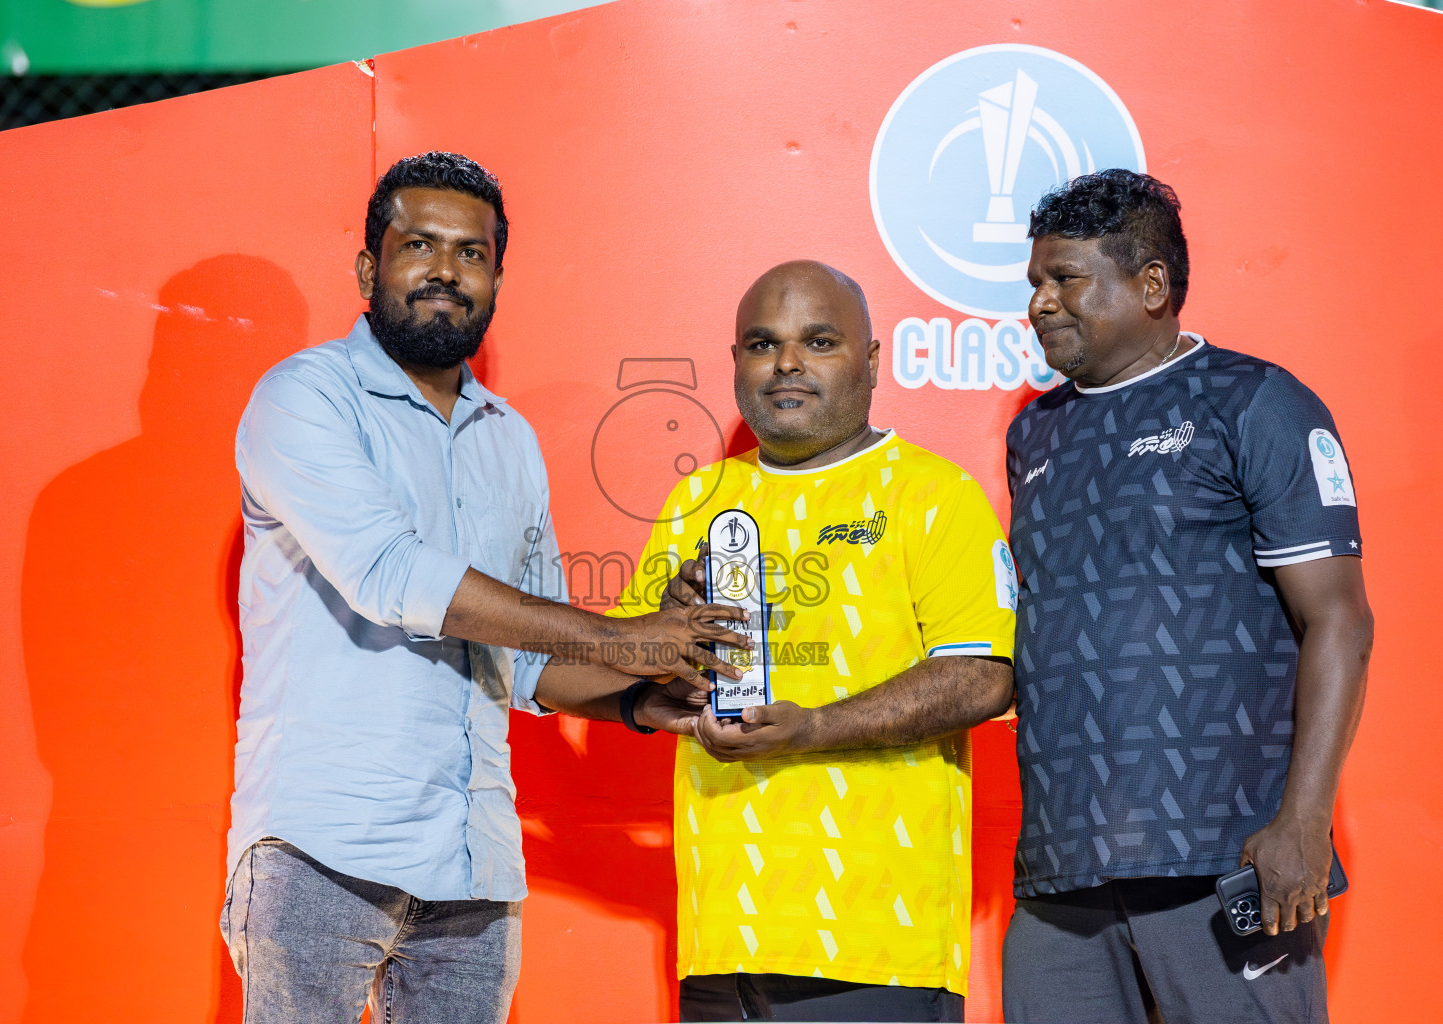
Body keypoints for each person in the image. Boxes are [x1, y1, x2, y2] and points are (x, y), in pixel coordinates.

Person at [219, 152, 748, 1024]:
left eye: (472, 254)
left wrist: (650, 700)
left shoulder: (511, 441)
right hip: (321, 852)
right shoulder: (304, 398)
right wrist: (624, 635)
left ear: (497, 277)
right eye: (418, 245)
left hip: (475, 866)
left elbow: (529, 666)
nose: (445, 271)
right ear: (368, 267)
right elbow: (390, 574)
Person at [1001, 169, 1373, 1024]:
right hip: (1061, 876)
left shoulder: (1255, 401)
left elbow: (1340, 621)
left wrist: (1304, 823)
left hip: (1224, 859)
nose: (1040, 304)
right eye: (1034, 284)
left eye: (1066, 280)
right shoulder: (1035, 433)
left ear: (1152, 285)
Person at [624, 260, 1016, 1022]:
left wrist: (810, 729)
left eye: (821, 341)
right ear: (737, 361)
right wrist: (666, 653)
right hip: (720, 937)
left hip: (877, 946)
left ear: (870, 362)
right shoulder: (698, 501)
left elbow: (981, 679)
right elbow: (620, 677)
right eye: (763, 344)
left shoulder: (935, 495)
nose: (789, 363)